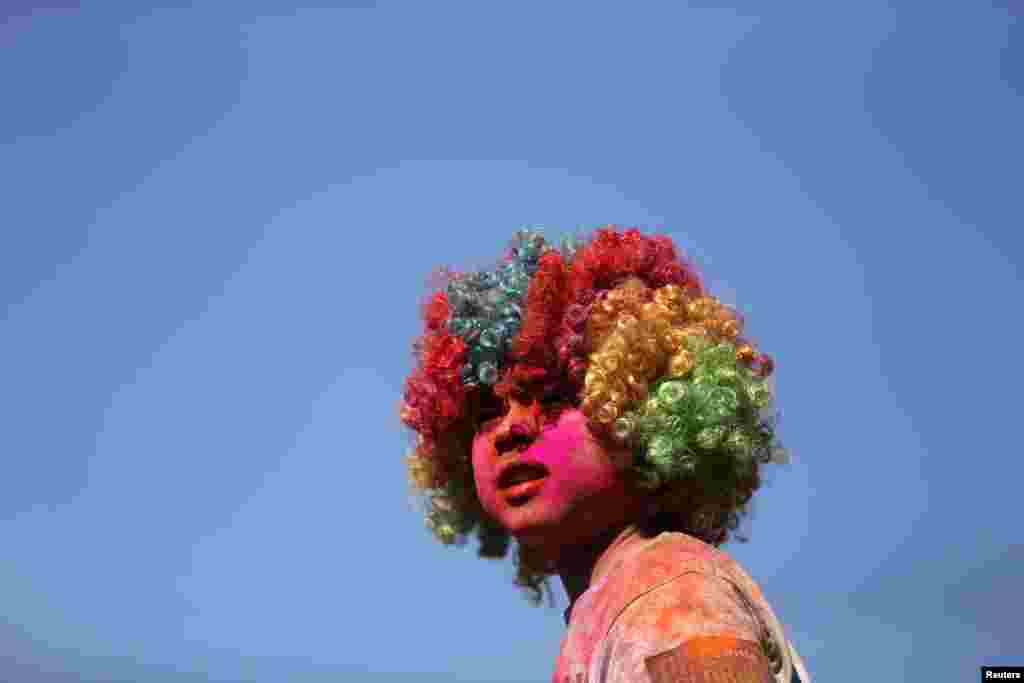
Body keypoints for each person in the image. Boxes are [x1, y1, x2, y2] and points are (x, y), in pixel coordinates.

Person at [399, 227, 811, 682]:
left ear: (643, 410)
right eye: (485, 412)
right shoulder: (618, 602)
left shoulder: (672, 596)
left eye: (553, 397)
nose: (511, 429)